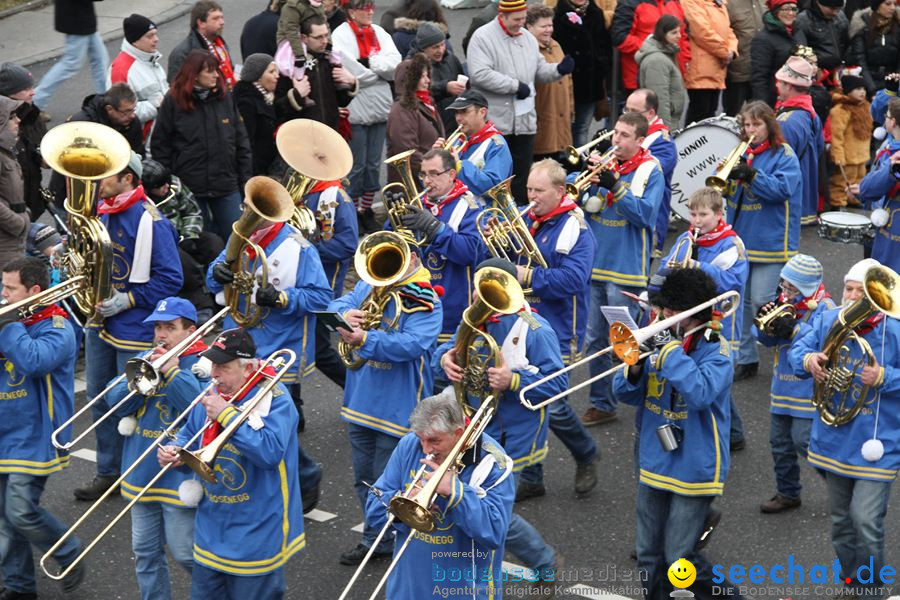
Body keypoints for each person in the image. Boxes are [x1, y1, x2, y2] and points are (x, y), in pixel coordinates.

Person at [434, 258, 564, 598]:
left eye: (486, 288)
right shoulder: (475, 321)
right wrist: (444, 360)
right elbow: (450, 353)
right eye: (478, 287)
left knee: (493, 510)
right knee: (474, 502)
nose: (478, 295)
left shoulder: (535, 330)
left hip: (514, 436)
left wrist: (514, 380)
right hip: (473, 426)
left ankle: (543, 559)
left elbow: (559, 383)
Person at [206, 190, 333, 513]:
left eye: (252, 208)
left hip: (279, 348)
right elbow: (215, 275)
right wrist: (216, 275)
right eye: (245, 207)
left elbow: (321, 298)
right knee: (245, 416)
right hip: (240, 345)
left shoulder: (299, 248)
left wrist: (281, 299)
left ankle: (303, 475)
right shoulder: (241, 236)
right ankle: (260, 477)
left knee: (271, 421)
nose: (244, 214)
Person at [612, 267, 735, 599]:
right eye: (663, 307)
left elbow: (700, 393)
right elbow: (624, 395)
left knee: (680, 558)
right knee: (649, 554)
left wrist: (667, 352)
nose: (663, 314)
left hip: (695, 464)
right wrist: (635, 365)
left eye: (671, 310)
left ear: (693, 311)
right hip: (655, 459)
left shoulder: (717, 349)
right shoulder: (661, 336)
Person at [158, 328, 305, 599]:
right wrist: (175, 449)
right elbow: (190, 432)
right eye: (213, 364)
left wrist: (227, 415)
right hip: (211, 526)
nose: (214, 373)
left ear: (248, 368)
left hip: (257, 530)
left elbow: (269, 454)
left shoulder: (277, 399)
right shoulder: (214, 390)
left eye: (223, 367)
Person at [73, 153, 183, 502]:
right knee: (99, 399)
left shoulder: (151, 220)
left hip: (133, 327)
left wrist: (129, 299)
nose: (98, 182)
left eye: (107, 176)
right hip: (99, 320)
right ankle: (108, 472)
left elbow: (171, 277)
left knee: (132, 403)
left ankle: (139, 472)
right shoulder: (102, 210)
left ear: (128, 178)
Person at [789, 258, 900, 600]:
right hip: (833, 439)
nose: (851, 297)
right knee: (841, 523)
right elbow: (798, 350)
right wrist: (808, 361)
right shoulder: (826, 318)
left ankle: (873, 592)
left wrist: (884, 377)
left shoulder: (895, 330)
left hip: (877, 442)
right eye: (848, 289)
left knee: (864, 521)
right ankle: (854, 584)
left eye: (860, 291)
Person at [328, 242, 442, 565]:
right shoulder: (368, 284)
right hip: (359, 404)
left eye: (397, 259)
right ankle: (377, 537)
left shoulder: (425, 299)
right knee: (363, 479)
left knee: (387, 484)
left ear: (414, 258)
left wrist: (365, 339)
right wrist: (342, 315)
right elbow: (333, 306)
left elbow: (414, 345)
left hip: (399, 408)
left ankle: (384, 539)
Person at [363, 389, 515, 599]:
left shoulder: (493, 463)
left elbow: (494, 532)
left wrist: (456, 493)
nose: (426, 450)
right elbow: (373, 508)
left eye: (434, 441)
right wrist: (402, 500)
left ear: (459, 433)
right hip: (407, 587)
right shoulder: (409, 445)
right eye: (421, 439)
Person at [105, 297, 206, 600]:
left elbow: (197, 412)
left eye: (170, 328)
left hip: (178, 477)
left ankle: (220, 592)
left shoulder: (204, 364)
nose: (161, 335)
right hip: (141, 467)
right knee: (145, 554)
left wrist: (173, 371)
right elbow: (113, 402)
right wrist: (143, 374)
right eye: (158, 327)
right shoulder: (145, 358)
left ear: (191, 331)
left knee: (185, 552)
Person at [511, 159, 599, 501]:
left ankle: (586, 452)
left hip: (560, 327)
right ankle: (532, 476)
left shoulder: (577, 229)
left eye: (539, 191)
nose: (531, 197)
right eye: (529, 189)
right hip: (522, 322)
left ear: (560, 191)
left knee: (552, 403)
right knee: (523, 398)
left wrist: (527, 276)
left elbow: (574, 280)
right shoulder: (526, 216)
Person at [575, 112, 664, 426]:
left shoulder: (650, 170)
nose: (617, 141)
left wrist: (616, 186)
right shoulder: (606, 165)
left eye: (625, 136)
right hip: (596, 266)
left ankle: (641, 392)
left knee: (624, 342)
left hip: (626, 269)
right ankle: (602, 403)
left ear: (640, 140)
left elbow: (645, 216)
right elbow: (584, 206)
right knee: (595, 341)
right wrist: (583, 182)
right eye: (616, 134)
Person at [0, 258, 82, 597]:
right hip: (6, 431)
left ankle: (68, 550)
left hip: (37, 434)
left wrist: (9, 324)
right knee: (5, 519)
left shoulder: (58, 325)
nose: (3, 295)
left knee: (19, 510)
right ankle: (19, 587)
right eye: (2, 286)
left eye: (10, 289)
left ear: (34, 291)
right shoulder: (12, 318)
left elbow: (35, 361)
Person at [661, 186, 749, 450]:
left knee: (716, 378)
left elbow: (734, 281)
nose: (696, 221)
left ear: (719, 214)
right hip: (689, 318)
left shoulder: (732, 244)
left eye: (703, 215)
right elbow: (668, 265)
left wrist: (698, 268)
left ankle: (732, 434)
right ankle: (729, 431)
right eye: (692, 214)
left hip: (719, 320)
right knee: (699, 372)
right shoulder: (686, 238)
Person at [467, 0, 574, 204]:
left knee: (522, 178)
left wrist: (558, 70)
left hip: (524, 123)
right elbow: (479, 74)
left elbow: (539, 70)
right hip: (497, 124)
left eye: (523, 19)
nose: (520, 24)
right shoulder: (483, 37)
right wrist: (514, 86)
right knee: (497, 179)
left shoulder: (528, 39)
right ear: (503, 16)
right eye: (516, 20)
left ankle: (520, 220)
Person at [724, 101, 801, 382]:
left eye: (757, 124)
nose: (751, 130)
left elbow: (782, 189)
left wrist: (752, 175)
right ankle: (746, 358)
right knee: (740, 301)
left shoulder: (784, 154)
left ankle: (785, 346)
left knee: (761, 300)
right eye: (747, 125)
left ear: (769, 124)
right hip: (742, 239)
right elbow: (733, 197)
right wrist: (730, 178)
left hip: (771, 239)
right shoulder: (742, 152)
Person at [753, 255, 833, 514]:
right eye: (783, 286)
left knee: (803, 441)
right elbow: (764, 341)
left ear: (807, 288)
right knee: (779, 442)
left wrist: (795, 330)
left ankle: (841, 484)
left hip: (808, 389)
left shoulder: (825, 308)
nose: (785, 292)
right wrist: (765, 327)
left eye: (791, 288)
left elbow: (826, 346)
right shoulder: (783, 302)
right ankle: (788, 492)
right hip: (782, 387)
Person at [151, 50, 253, 244]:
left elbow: (241, 142)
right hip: (191, 187)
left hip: (226, 184)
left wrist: (245, 182)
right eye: (210, 71)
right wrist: (169, 183)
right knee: (201, 242)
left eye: (216, 70)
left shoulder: (225, 98)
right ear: (195, 74)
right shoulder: (174, 100)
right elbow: (160, 145)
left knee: (238, 240)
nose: (216, 75)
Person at [397, 148, 483, 345]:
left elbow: (471, 252)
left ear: (452, 175)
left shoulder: (471, 207)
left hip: (452, 309)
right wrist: (396, 221)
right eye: (423, 174)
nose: (427, 181)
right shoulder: (418, 203)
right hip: (413, 305)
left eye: (434, 174)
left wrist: (434, 228)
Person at [332, 0, 402, 233]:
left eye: (371, 6)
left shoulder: (380, 32)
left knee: (373, 165)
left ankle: (365, 210)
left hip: (380, 107)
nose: (371, 11)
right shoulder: (340, 35)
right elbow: (349, 71)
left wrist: (370, 64)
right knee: (356, 166)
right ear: (351, 11)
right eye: (364, 7)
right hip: (357, 109)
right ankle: (350, 215)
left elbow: (395, 66)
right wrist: (377, 73)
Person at [141, 159, 222, 322]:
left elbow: (192, 211)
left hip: (185, 233)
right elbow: (157, 229)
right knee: (184, 263)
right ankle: (201, 304)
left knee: (214, 243)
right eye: (160, 187)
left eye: (167, 184)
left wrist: (189, 235)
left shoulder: (174, 184)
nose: (166, 188)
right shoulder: (143, 203)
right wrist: (175, 242)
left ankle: (220, 295)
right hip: (161, 244)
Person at [301, 175, 358, 391]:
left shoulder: (336, 197)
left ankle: (359, 393)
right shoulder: (302, 190)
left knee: (320, 351)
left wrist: (308, 249)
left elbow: (347, 244)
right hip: (299, 285)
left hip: (322, 286)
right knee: (296, 348)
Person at [274, 15, 358, 132]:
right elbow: (277, 109)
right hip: (302, 137)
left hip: (330, 134)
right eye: (318, 37)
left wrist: (351, 82)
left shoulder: (329, 60)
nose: (324, 41)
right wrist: (296, 95)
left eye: (325, 35)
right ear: (304, 38)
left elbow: (341, 101)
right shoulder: (289, 65)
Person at [551, 0, 612, 148]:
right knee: (565, 127)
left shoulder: (594, 12)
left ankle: (579, 164)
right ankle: (565, 162)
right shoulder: (557, 15)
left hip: (591, 82)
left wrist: (601, 65)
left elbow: (604, 44)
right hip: (567, 83)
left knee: (582, 128)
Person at [625, 89, 677, 258]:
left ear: (651, 113)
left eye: (634, 112)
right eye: (626, 110)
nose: (627, 116)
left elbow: (651, 170)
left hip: (650, 217)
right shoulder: (630, 131)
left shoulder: (663, 141)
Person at [433, 89, 513, 198]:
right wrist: (435, 161)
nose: (458, 118)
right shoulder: (457, 140)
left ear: (482, 112)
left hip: (485, 212)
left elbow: (494, 186)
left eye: (464, 111)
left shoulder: (496, 145)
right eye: (456, 112)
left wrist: (459, 166)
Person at [33, 0, 109, 111]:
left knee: (100, 59)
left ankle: (104, 100)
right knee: (71, 64)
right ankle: (36, 103)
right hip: (77, 21)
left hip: (81, 18)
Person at [107, 14, 169, 141]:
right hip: (142, 141)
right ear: (135, 41)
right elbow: (120, 112)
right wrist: (159, 105)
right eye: (149, 36)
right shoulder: (121, 69)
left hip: (163, 133)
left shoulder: (150, 59)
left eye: (155, 34)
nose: (156, 39)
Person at [386, 53, 445, 183]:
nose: (428, 81)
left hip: (427, 176)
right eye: (422, 76)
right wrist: (434, 167)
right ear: (411, 80)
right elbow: (407, 151)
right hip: (413, 182)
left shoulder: (426, 103)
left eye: (427, 75)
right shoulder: (401, 110)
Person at [611, 0, 690, 95]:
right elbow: (620, 38)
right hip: (641, 79)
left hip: (672, 77)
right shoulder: (630, 3)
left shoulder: (674, 2)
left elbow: (684, 36)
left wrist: (684, 62)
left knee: (673, 108)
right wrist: (656, 50)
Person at [0, 63, 48, 219]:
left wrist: (43, 158)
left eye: (32, 87)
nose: (33, 93)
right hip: (12, 216)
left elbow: (38, 147)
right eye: (26, 89)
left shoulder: (33, 115)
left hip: (32, 203)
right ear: (8, 94)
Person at [527, 5, 574, 163]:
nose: (549, 30)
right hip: (542, 126)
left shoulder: (555, 45)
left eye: (550, 25)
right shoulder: (528, 50)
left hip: (561, 126)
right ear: (529, 27)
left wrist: (570, 111)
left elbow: (568, 84)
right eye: (543, 26)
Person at [859, 98, 900, 273]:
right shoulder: (891, 149)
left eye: (887, 116)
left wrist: (890, 170)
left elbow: (867, 189)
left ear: (892, 122)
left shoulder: (893, 156)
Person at [681, 0, 739, 124]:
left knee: (710, 115)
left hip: (718, 68)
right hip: (700, 69)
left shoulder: (719, 2)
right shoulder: (690, 2)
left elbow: (728, 30)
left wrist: (732, 50)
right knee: (698, 115)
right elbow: (702, 32)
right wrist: (725, 52)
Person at [409, 22, 465, 136]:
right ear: (423, 49)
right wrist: (445, 88)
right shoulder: (413, 65)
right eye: (435, 47)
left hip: (453, 125)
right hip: (431, 128)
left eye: (442, 45)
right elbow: (415, 92)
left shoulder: (451, 59)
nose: (440, 50)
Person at [828, 74, 873, 208]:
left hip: (862, 155)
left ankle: (854, 199)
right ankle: (837, 203)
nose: (862, 92)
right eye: (858, 89)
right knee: (841, 182)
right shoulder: (840, 110)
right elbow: (836, 136)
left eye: (864, 89)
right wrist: (838, 156)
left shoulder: (866, 107)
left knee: (860, 179)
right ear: (848, 90)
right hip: (847, 157)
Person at [168, 1, 235, 89]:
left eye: (222, 17)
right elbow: (178, 89)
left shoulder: (220, 44)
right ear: (201, 23)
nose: (222, 22)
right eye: (215, 18)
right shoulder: (183, 53)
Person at [635, 15, 686, 130]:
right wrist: (665, 130)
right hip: (665, 124)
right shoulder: (657, 61)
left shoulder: (665, 54)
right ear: (662, 34)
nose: (679, 36)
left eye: (679, 32)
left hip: (670, 120)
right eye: (674, 33)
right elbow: (660, 101)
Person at [234, 54, 280, 177]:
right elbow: (248, 143)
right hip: (255, 171)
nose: (277, 76)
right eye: (271, 72)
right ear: (258, 76)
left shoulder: (266, 97)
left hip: (265, 166)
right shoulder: (246, 103)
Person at [750, 0, 800, 107]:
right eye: (786, 9)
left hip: (796, 95)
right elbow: (759, 77)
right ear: (776, 11)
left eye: (794, 9)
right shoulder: (763, 39)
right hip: (775, 98)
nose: (791, 13)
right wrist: (764, 106)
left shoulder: (797, 31)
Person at [0, 96, 30, 271]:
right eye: (11, 116)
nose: (18, 120)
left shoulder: (5, 151)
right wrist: (17, 223)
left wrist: (24, 214)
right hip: (5, 243)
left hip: (13, 240)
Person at [724, 0, 766, 116]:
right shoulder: (728, 3)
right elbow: (725, 32)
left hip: (761, 72)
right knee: (732, 116)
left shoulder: (766, 2)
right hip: (738, 71)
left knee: (760, 116)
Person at [849, 0, 900, 95]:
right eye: (888, 4)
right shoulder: (863, 27)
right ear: (877, 6)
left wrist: (895, 82)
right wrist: (872, 89)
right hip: (869, 81)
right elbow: (860, 60)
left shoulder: (897, 27)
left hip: (893, 81)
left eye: (895, 4)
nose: (893, 8)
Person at [793, 0, 849, 79]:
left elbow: (847, 43)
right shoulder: (803, 20)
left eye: (838, 9)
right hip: (818, 73)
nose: (835, 13)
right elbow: (801, 48)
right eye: (832, 9)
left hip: (839, 70)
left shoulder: (841, 17)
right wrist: (814, 66)